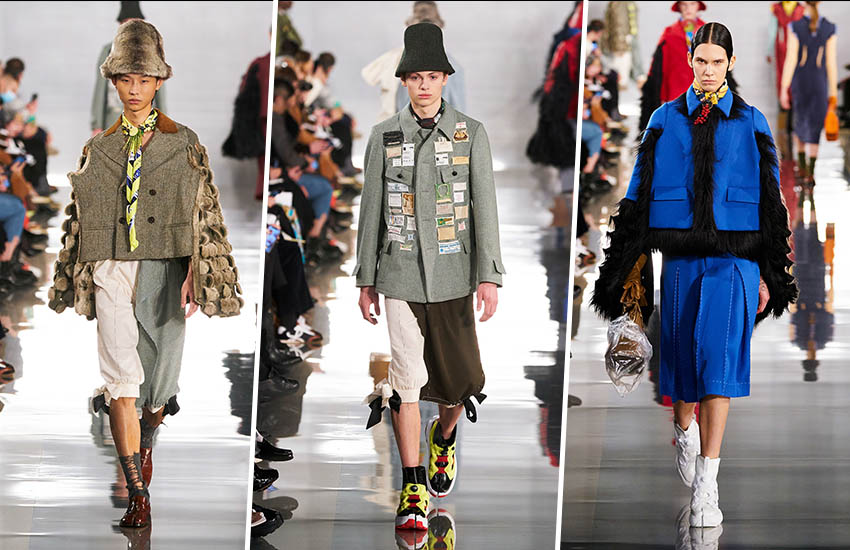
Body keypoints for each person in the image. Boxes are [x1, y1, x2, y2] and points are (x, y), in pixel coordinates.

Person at [591, 22, 797, 527]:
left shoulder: (752, 122)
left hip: (737, 260)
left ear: (730, 64)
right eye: (700, 60)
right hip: (681, 259)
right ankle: (684, 429)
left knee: (718, 361)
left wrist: (769, 272)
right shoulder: (664, 119)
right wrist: (623, 272)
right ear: (690, 61)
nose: (708, 70)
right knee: (683, 368)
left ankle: (708, 483)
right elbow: (637, 196)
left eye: (717, 61)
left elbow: (772, 205)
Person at [47, 20, 242, 529]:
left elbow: (204, 213)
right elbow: (81, 217)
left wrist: (197, 269)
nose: (134, 90)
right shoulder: (99, 149)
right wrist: (80, 270)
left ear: (158, 82)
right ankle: (138, 492)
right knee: (122, 382)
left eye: (144, 80)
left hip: (164, 269)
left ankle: (148, 435)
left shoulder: (183, 143)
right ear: (114, 82)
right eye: (125, 80)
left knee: (158, 386)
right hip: (111, 267)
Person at [355, 22, 504, 532]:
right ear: (403, 81)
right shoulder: (384, 136)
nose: (423, 86)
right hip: (398, 273)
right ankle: (413, 486)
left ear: (445, 79)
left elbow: (485, 208)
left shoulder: (470, 134)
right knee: (406, 380)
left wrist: (489, 276)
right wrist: (365, 278)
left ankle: (444, 437)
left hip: (455, 275)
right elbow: (370, 211)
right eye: (415, 77)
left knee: (458, 384)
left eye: (432, 77)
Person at [779, 1, 838, 191]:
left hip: (800, 82)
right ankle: (811, 173)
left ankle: (802, 170)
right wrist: (833, 94)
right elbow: (831, 64)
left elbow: (790, 60)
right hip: (820, 83)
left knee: (801, 124)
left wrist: (784, 88)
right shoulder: (829, 28)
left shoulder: (795, 27)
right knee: (814, 127)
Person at [91, 2, 167, 135]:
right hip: (114, 120)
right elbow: (100, 90)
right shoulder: (109, 51)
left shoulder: (152, 50)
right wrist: (97, 125)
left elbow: (159, 89)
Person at [639, 1, 706, 130]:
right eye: (684, 4)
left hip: (702, 89)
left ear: (698, 6)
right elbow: (659, 67)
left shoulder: (708, 31)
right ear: (679, 7)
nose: (688, 8)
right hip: (675, 89)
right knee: (677, 129)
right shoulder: (669, 33)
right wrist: (659, 94)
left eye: (692, 4)